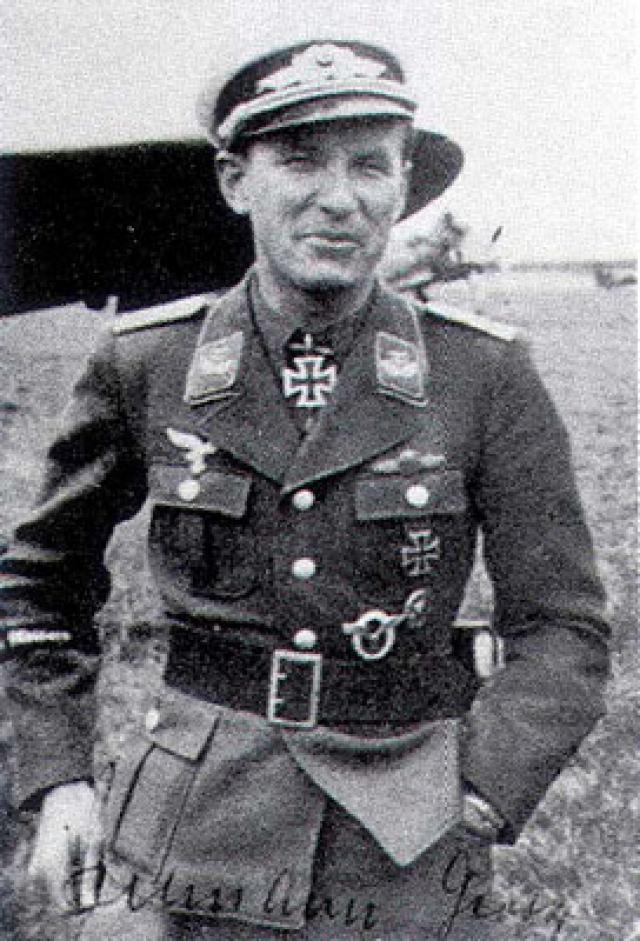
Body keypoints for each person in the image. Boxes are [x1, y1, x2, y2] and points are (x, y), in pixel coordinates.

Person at [0, 38, 609, 939]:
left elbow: (564, 623)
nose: (339, 197)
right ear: (234, 181)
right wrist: (60, 781)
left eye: (370, 165)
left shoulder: (483, 373)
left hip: (405, 837)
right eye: (299, 160)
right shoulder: (150, 362)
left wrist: (485, 786)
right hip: (188, 825)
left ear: (402, 186)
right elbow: (38, 582)